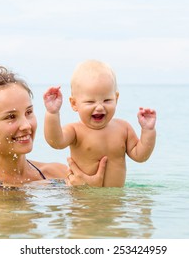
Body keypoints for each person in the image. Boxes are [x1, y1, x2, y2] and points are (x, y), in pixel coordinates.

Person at [0, 56, 107, 188]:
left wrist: (89, 190)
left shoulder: (58, 173)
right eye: (11, 117)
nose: (26, 125)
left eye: (28, 112)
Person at [43, 59, 157, 187]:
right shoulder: (75, 131)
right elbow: (55, 142)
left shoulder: (123, 128)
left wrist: (148, 131)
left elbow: (140, 156)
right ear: (74, 104)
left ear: (116, 98)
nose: (99, 107)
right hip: (85, 201)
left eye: (107, 100)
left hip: (115, 204)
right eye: (90, 102)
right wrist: (52, 113)